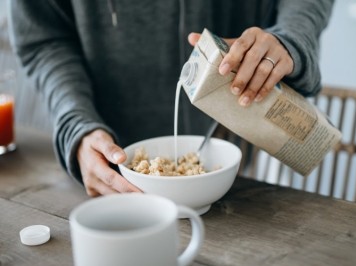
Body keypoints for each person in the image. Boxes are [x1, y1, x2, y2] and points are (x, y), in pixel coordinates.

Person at [8, 0, 334, 196]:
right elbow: (43, 37)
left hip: (231, 156)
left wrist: (291, 38)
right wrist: (76, 123)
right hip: (106, 164)